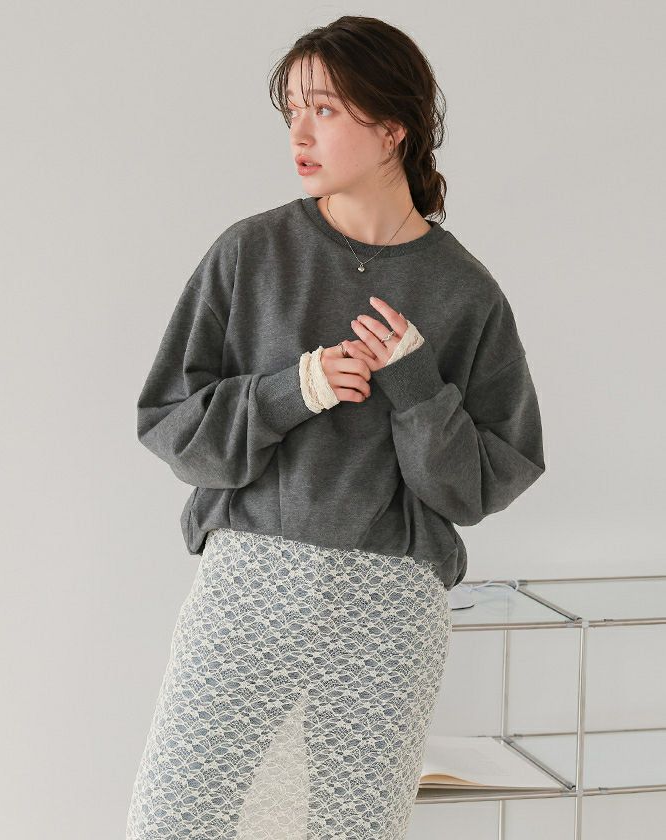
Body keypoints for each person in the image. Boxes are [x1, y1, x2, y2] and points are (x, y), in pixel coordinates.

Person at [126, 14, 546, 840]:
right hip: (252, 585)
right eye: (293, 111)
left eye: (323, 109)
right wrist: (295, 389)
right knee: (174, 821)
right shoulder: (251, 253)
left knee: (353, 830)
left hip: (388, 605)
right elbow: (172, 423)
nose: (300, 133)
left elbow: (480, 485)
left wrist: (418, 388)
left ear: (392, 127)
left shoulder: (466, 292)